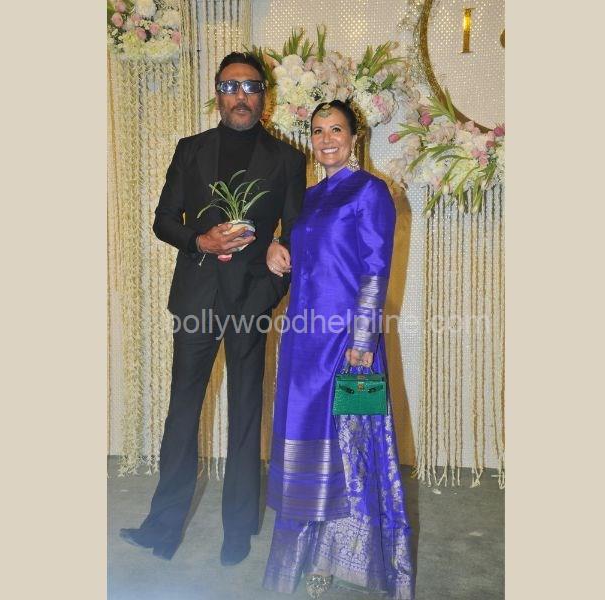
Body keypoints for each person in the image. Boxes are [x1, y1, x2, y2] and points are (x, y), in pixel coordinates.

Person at [120, 52, 306, 566]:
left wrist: (270, 288)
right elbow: (163, 220)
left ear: (264, 96)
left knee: (245, 415)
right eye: (230, 86)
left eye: (250, 86)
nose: (240, 96)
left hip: (251, 300)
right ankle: (162, 528)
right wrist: (200, 240)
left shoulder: (288, 160)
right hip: (197, 298)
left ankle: (238, 530)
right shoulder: (191, 150)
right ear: (217, 94)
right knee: (182, 413)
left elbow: (296, 236)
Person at [263, 100, 415, 599]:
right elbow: (293, 250)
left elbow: (375, 268)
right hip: (301, 340)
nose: (326, 139)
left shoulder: (370, 191)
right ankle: (303, 557)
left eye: (336, 130)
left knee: (348, 448)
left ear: (355, 137)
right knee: (304, 444)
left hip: (346, 344)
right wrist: (274, 247)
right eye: (318, 131)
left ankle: (336, 558)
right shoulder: (305, 197)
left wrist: (363, 339)